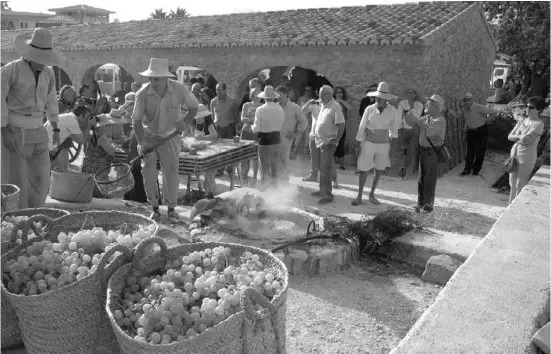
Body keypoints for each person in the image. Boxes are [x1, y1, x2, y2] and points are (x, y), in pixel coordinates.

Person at [132, 58, 198, 221]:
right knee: (148, 172)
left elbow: (194, 107)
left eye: (156, 78)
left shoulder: (180, 89)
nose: (152, 81)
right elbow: (136, 121)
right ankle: (154, 207)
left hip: (171, 136)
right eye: (151, 78)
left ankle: (171, 208)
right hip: (149, 136)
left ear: (165, 78)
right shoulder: (142, 93)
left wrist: (186, 121)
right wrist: (142, 142)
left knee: (171, 172)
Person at [1, 28, 61, 208]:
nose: (43, 63)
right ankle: (16, 220)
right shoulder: (10, 71)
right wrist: (4, 131)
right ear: (30, 54)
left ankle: (35, 216)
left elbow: (51, 100)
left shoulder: (48, 73)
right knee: (17, 181)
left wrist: (55, 127)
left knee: (41, 178)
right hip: (15, 130)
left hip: (38, 131)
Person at [352, 82, 399, 206]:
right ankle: (359, 195)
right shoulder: (369, 108)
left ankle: (372, 194)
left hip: (383, 144)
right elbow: (362, 126)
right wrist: (358, 142)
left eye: (380, 98)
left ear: (386, 99)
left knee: (378, 169)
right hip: (368, 142)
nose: (378, 99)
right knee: (363, 169)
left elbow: (394, 129)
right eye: (376, 97)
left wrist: (391, 141)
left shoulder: (393, 111)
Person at [404, 94, 447, 213]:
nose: (427, 105)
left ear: (437, 107)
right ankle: (420, 203)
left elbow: (430, 131)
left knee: (429, 179)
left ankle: (428, 205)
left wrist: (416, 119)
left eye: (430, 103)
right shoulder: (425, 117)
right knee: (421, 178)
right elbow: (412, 124)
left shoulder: (440, 120)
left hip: (432, 152)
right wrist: (408, 116)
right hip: (423, 151)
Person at [447, 92, 498, 176]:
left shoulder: (478, 107)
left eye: (468, 100)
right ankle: (467, 170)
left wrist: (486, 121)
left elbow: (494, 112)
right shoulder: (464, 108)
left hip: (481, 130)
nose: (466, 101)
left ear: (471, 100)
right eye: (465, 100)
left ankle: (476, 170)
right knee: (470, 151)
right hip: (471, 131)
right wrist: (449, 111)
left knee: (480, 151)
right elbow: (457, 115)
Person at [310, 85, 345, 205]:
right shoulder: (324, 105)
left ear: (329, 95)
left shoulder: (335, 107)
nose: (319, 96)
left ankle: (327, 195)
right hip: (321, 142)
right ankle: (322, 190)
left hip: (329, 142)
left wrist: (336, 139)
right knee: (322, 168)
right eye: (319, 94)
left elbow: (341, 125)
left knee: (326, 168)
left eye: (322, 94)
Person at [507, 96, 545, 205]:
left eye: (531, 107)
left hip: (526, 157)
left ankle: (516, 209)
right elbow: (509, 136)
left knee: (520, 184)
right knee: (512, 183)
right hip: (514, 155)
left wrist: (517, 137)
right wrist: (520, 137)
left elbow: (526, 140)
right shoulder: (523, 120)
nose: (527, 109)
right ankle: (509, 208)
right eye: (527, 106)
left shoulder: (538, 124)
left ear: (538, 109)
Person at [251, 86, 285, 187]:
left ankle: (265, 188)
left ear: (264, 97)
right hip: (276, 139)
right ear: (274, 97)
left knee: (264, 167)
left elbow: (256, 128)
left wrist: (252, 127)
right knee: (275, 165)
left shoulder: (260, 110)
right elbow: (281, 124)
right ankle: (275, 187)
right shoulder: (279, 109)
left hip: (264, 140)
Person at [46, 106, 95, 171]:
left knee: (56, 171)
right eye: (87, 117)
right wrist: (89, 126)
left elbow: (77, 139)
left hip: (46, 145)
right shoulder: (72, 121)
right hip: (47, 148)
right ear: (81, 116)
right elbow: (82, 140)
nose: (88, 119)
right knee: (56, 173)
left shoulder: (68, 117)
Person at [276, 85, 308, 181]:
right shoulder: (274, 106)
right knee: (274, 160)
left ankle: (284, 183)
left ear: (286, 94)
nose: (278, 97)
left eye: (280, 95)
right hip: (273, 138)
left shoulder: (294, 107)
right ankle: (275, 182)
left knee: (285, 160)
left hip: (286, 139)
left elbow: (304, 122)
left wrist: (295, 134)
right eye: (277, 95)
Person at [397, 87, 424, 180]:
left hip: (414, 129)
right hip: (404, 129)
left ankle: (403, 169)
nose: (409, 94)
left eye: (412, 92)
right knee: (403, 148)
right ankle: (403, 166)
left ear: (415, 94)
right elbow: (399, 117)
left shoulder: (419, 105)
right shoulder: (402, 103)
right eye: (408, 92)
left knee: (411, 150)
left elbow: (416, 118)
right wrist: (399, 129)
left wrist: (409, 112)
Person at [192, 104, 219, 197]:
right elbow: (186, 134)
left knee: (208, 171)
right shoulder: (193, 123)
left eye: (200, 117)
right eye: (197, 118)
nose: (198, 119)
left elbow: (215, 136)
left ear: (205, 116)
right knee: (198, 170)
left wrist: (203, 137)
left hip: (210, 149)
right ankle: (202, 190)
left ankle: (210, 191)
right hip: (198, 150)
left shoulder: (209, 124)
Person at [240, 87, 262, 185]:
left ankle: (255, 177)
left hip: (257, 132)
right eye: (255, 94)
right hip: (246, 131)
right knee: (245, 155)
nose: (257, 96)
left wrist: (250, 119)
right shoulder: (246, 105)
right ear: (252, 95)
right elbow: (242, 119)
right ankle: (244, 175)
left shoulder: (263, 106)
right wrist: (252, 119)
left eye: (259, 94)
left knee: (256, 156)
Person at [332, 86, 352, 186]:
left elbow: (350, 108)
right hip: (333, 125)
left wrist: (342, 101)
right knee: (332, 143)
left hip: (342, 126)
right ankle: (332, 162)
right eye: (338, 92)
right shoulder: (332, 102)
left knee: (341, 143)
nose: (339, 94)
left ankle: (341, 165)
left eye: (341, 92)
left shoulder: (344, 102)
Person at [301, 99, 322, 182]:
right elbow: (302, 111)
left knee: (326, 158)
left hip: (324, 137)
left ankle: (332, 179)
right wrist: (307, 103)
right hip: (313, 135)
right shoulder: (314, 106)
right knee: (314, 157)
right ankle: (313, 175)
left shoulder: (331, 107)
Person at [292, 85, 316, 157]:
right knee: (298, 135)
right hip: (301, 120)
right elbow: (297, 109)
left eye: (308, 90)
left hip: (309, 120)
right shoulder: (301, 99)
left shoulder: (312, 100)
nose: (306, 92)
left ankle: (306, 152)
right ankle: (295, 150)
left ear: (311, 92)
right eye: (305, 90)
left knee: (307, 136)